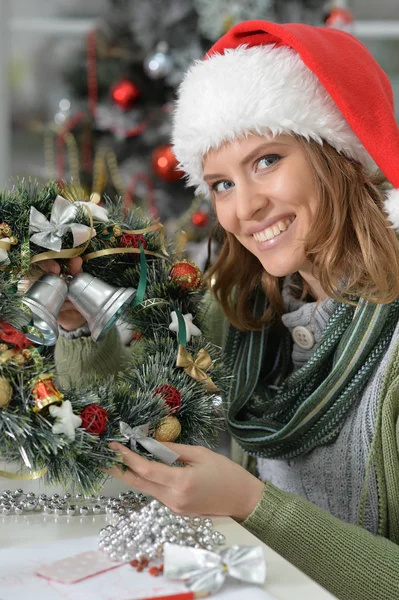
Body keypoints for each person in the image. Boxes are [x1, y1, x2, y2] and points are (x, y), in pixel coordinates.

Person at [54, 20, 399, 599]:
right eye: (221, 184)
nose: (246, 208)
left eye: (267, 160)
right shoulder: (244, 314)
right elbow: (110, 425)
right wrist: (81, 322)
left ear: (339, 153)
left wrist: (250, 503)